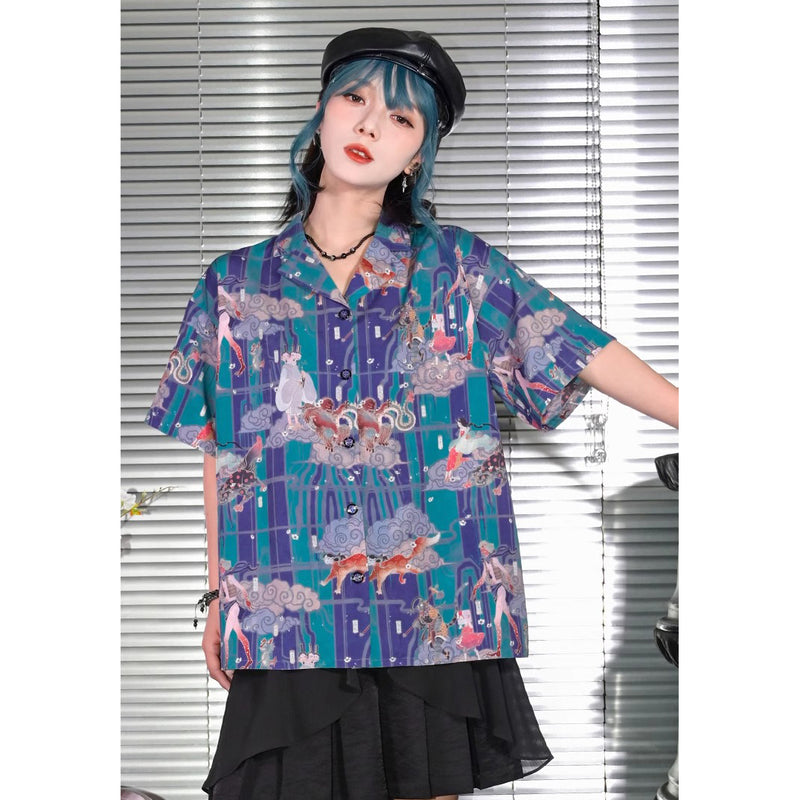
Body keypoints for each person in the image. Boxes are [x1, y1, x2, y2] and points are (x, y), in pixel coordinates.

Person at [145, 27, 678, 800]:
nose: (370, 125)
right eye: (354, 99)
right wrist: (219, 597)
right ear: (321, 113)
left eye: (401, 118)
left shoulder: (457, 265)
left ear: (418, 154)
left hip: (433, 606)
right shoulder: (233, 284)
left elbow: (577, 347)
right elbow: (220, 451)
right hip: (287, 609)